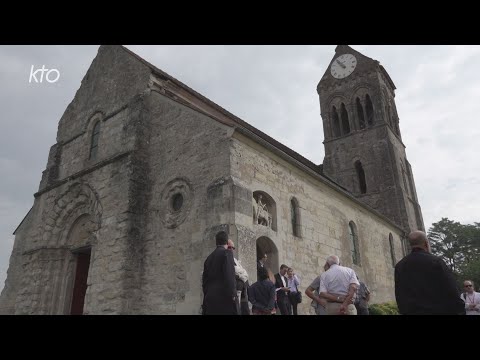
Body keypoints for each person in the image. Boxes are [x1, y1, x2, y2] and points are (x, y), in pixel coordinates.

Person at [394, 230, 465, 315]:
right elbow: (452, 291)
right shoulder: (436, 262)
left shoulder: (399, 266)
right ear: (426, 244)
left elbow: (399, 296)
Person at [201, 231, 237, 315]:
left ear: (216, 242)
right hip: (224, 299)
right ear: (227, 242)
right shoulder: (227, 253)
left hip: (209, 299)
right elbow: (230, 276)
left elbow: (204, 282)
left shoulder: (208, 258)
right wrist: (233, 294)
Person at [227, 239, 250, 315]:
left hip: (243, 290)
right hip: (233, 292)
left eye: (233, 248)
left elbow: (245, 273)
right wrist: (241, 274)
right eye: (229, 247)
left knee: (244, 310)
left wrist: (241, 274)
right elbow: (235, 271)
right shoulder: (225, 258)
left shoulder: (235, 260)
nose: (231, 249)